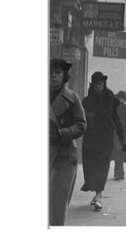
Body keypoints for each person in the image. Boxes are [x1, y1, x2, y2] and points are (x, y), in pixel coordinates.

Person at [80, 71, 126, 211]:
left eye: (101, 84)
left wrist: (122, 140)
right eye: (96, 84)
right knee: (91, 166)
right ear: (92, 85)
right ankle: (95, 193)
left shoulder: (110, 99)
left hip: (106, 138)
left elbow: (116, 120)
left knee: (102, 165)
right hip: (91, 138)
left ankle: (99, 195)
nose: (99, 86)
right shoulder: (86, 102)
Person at [49, 58, 86, 226]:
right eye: (50, 73)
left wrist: (62, 133)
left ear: (64, 76)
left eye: (57, 73)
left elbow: (81, 125)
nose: (53, 76)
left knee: (58, 205)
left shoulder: (72, 98)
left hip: (64, 156)